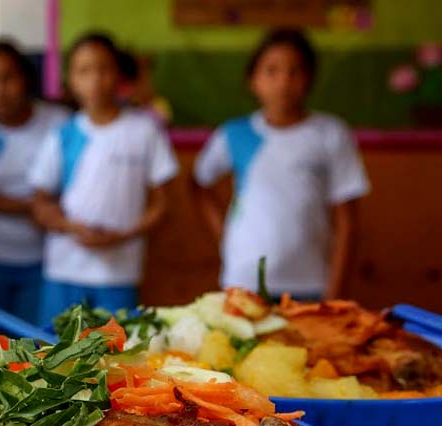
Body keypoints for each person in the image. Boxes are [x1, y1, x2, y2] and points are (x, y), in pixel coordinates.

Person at [194, 29, 369, 300]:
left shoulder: (330, 133)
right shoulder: (233, 133)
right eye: (271, 71)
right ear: (253, 80)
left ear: (310, 78)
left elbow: (347, 220)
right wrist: (223, 232)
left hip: (310, 281)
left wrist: (335, 292)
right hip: (244, 279)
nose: (284, 81)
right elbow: (199, 183)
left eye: (295, 71)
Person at [29, 33, 177, 323]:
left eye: (104, 68)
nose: (95, 79)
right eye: (84, 70)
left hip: (120, 272)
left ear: (118, 74)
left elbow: (163, 202)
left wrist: (123, 234)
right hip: (64, 270)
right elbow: (39, 203)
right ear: (71, 80)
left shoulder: (144, 131)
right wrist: (72, 227)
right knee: (54, 354)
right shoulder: (62, 134)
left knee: (117, 357)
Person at [0, 40, 69, 331]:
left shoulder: (58, 124)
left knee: (35, 346)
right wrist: (36, 206)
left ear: (26, 78)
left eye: (8, 77)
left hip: (41, 260)